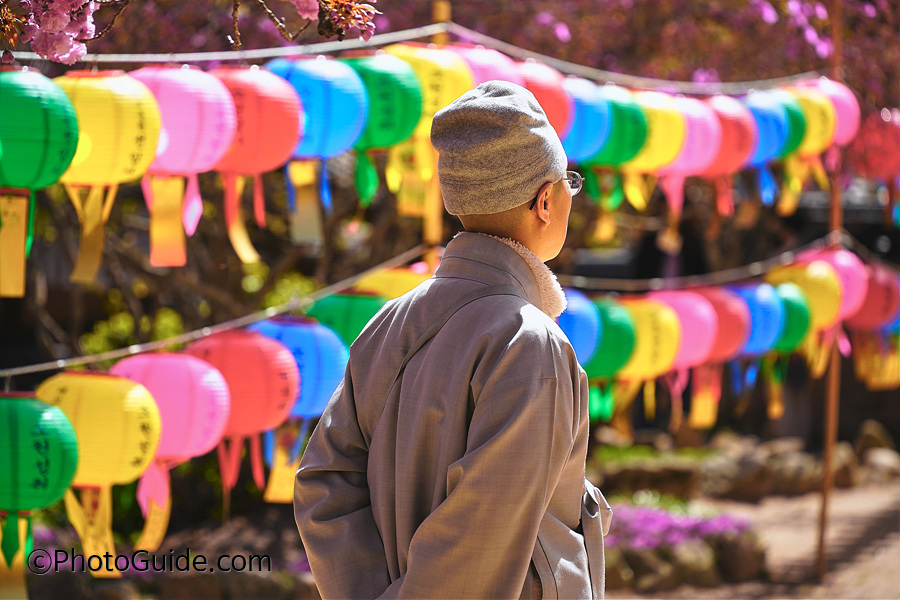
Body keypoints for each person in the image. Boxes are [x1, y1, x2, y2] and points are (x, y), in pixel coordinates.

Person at [294, 80, 611, 600]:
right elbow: (479, 539)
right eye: (568, 184)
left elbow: (324, 482)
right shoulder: (529, 342)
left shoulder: (388, 323)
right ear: (544, 201)